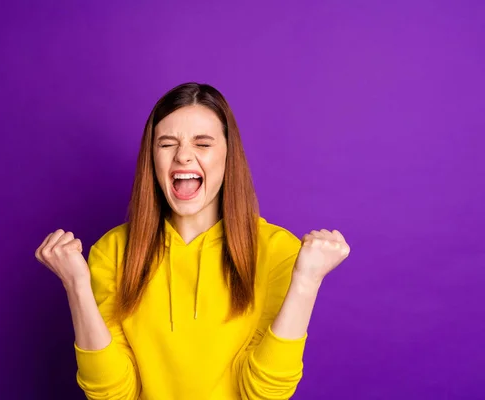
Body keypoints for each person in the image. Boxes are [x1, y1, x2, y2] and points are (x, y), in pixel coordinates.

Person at [35, 82, 350, 400]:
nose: (183, 156)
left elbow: (265, 394)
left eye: (203, 144)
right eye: (167, 144)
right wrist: (77, 286)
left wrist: (307, 282)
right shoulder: (111, 252)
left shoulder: (279, 251)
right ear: (152, 159)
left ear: (229, 155)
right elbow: (111, 395)